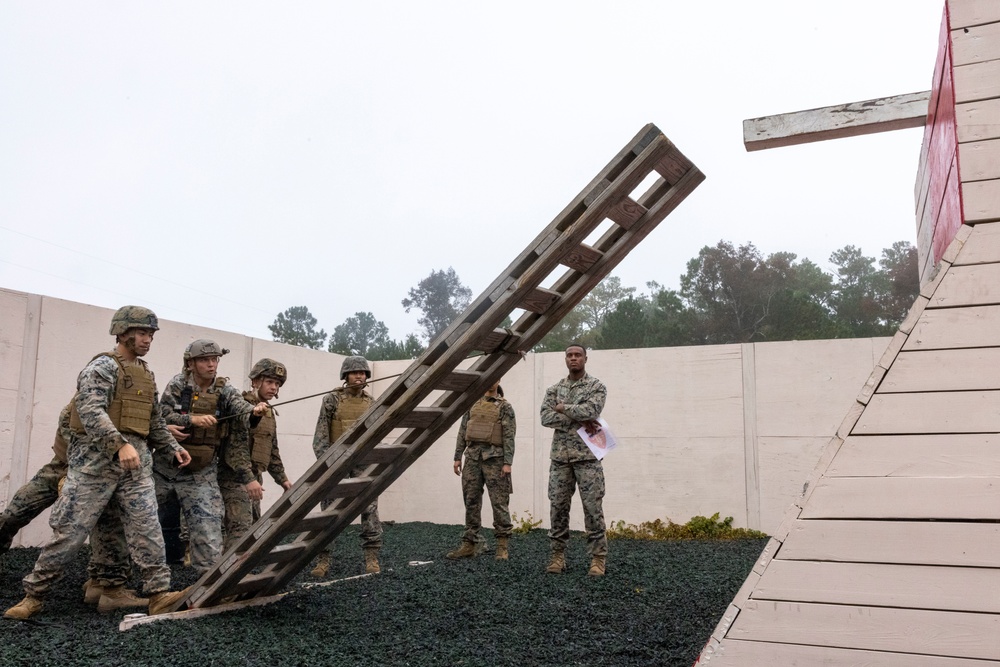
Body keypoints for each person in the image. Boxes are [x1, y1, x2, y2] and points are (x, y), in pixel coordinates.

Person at [4, 306, 192, 620]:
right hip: (94, 467)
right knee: (69, 533)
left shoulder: (145, 372)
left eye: (151, 334)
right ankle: (33, 596)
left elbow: (154, 421)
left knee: (148, 529)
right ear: (123, 332)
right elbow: (91, 411)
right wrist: (119, 445)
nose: (148, 339)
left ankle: (158, 594)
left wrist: (172, 447)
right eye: (143, 333)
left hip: (136, 469)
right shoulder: (102, 367)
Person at [0, 402, 145, 613]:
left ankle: (104, 581)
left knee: (108, 524)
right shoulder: (77, 409)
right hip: (61, 468)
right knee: (15, 512)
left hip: (98, 476)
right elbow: (76, 446)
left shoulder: (121, 414)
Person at [155, 339, 267, 573]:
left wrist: (254, 411)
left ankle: (207, 582)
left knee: (208, 528)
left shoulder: (225, 390)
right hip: (165, 468)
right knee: (143, 520)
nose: (211, 364)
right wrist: (191, 420)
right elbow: (160, 416)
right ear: (191, 363)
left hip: (201, 471)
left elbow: (240, 409)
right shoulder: (177, 384)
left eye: (214, 359)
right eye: (205, 360)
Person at [540, 343, 609, 577]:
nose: (573, 359)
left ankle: (598, 559)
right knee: (557, 508)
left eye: (577, 355)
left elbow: (592, 410)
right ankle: (557, 557)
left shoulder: (596, 386)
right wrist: (575, 413)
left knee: (592, 509)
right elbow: (545, 417)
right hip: (560, 459)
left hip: (588, 459)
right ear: (565, 359)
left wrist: (563, 408)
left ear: (586, 359)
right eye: (569, 355)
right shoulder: (554, 389)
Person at [310, 355, 382, 577]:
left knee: (369, 509)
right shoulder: (331, 400)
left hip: (362, 464)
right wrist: (326, 464)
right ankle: (324, 559)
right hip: (336, 462)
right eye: (354, 372)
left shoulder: (371, 403)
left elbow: (375, 435)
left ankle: (372, 557)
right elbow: (320, 437)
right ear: (345, 376)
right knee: (329, 511)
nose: (359, 376)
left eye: (362, 372)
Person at [218, 358, 292, 551]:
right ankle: (227, 578)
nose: (274, 387)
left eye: (277, 384)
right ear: (255, 382)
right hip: (234, 478)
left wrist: (283, 480)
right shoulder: (242, 407)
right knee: (239, 529)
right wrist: (249, 479)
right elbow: (235, 449)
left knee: (252, 528)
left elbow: (272, 450)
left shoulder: (268, 412)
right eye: (269, 382)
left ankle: (237, 575)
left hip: (254, 479)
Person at [446, 380, 516, 560]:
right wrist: (457, 457)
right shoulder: (472, 404)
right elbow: (463, 430)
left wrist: (508, 463)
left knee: (499, 502)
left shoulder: (505, 407)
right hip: (472, 458)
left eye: (496, 378)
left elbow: (509, 436)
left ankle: (502, 545)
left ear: (499, 380)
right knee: (471, 500)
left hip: (495, 459)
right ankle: (470, 543)